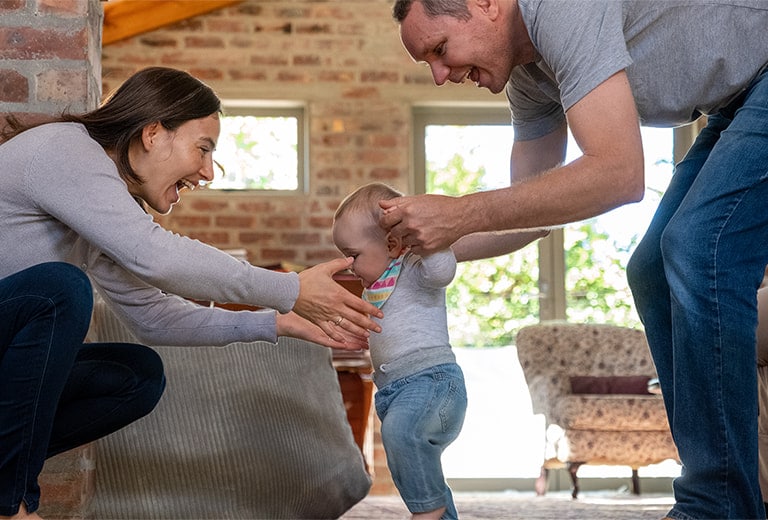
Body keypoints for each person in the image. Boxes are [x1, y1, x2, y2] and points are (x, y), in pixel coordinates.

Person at [386, 1, 768, 519]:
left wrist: (459, 213)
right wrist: (411, 253)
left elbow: (618, 174)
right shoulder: (530, 79)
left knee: (698, 248)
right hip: (739, 99)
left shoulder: (559, 8)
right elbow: (531, 209)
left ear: (485, 5)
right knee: (652, 271)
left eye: (439, 49)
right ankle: (726, 496)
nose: (438, 76)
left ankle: (717, 505)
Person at [0, 66, 382, 520]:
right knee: (60, 291)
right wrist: (290, 287)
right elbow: (156, 254)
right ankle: (11, 502)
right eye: (203, 149)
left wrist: (276, 321)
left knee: (137, 375)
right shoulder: (67, 150)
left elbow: (154, 318)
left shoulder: (94, 210)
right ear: (153, 132)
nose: (207, 172)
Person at [332, 182, 544, 519]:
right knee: (414, 464)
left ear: (391, 243)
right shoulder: (373, 288)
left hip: (431, 382)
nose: (347, 265)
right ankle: (440, 513)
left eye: (353, 255)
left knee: (402, 435)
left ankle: (426, 513)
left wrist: (431, 243)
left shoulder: (416, 268)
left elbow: (442, 270)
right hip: (394, 392)